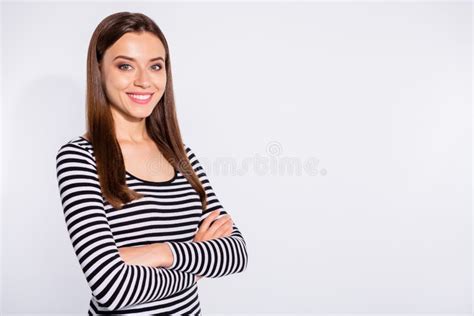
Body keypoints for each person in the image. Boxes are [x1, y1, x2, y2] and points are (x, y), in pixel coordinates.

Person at [55, 11, 248, 315]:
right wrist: (196, 263)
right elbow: (111, 288)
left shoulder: (180, 155)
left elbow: (236, 253)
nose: (144, 81)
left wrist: (158, 252)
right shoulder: (80, 158)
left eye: (155, 66)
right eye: (125, 66)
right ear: (99, 69)